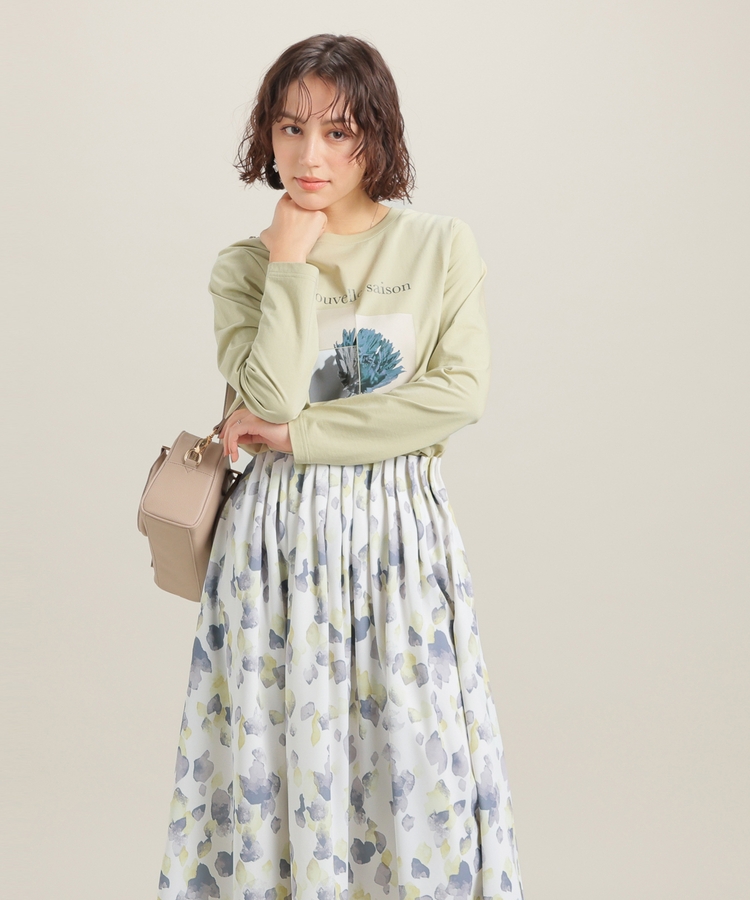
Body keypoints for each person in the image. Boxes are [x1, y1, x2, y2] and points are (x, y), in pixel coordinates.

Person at [157, 33, 525, 900]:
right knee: (274, 762)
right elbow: (270, 397)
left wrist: (301, 437)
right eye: (290, 129)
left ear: (377, 135)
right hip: (274, 554)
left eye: (338, 130)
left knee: (415, 767)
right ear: (267, 135)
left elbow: (457, 395)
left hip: (399, 542)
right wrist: (289, 262)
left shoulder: (439, 247)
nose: (309, 155)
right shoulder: (245, 267)